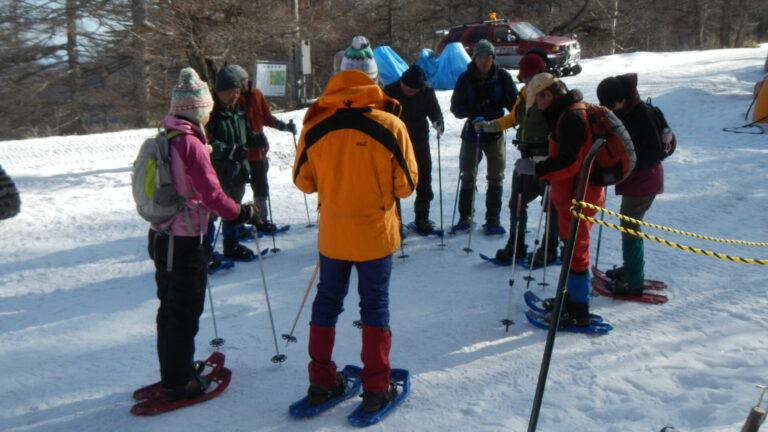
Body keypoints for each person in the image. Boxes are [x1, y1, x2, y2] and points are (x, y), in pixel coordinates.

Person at [292, 70, 417, 413]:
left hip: (334, 232)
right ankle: (376, 387)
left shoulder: (314, 128)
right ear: (371, 88)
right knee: (374, 304)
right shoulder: (390, 125)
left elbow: (303, 182)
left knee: (327, 302)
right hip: (375, 233)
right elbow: (407, 184)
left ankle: (320, 381)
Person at [149, 67, 260, 401]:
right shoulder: (191, 144)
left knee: (169, 310)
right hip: (184, 240)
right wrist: (242, 212)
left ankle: (175, 369)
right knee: (183, 312)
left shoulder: (166, 134)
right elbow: (212, 195)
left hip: (161, 236)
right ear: (199, 109)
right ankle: (178, 383)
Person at [513, 73, 605, 327]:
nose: (539, 107)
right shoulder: (567, 114)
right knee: (571, 248)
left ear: (548, 95)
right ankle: (570, 298)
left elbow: (570, 162)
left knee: (577, 250)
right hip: (571, 195)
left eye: (539, 101)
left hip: (579, 196)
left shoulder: (571, 117)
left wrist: (538, 169)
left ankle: (578, 310)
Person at [474, 54, 559, 263]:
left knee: (552, 206)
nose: (526, 82)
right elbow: (513, 118)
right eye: (523, 78)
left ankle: (549, 248)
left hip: (549, 160)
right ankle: (516, 244)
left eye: (529, 77)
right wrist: (489, 125)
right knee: (517, 202)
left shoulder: (554, 95)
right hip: (527, 158)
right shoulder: (523, 95)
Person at [596, 74, 664, 296]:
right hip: (635, 177)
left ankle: (634, 282)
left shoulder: (641, 113)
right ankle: (631, 268)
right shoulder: (625, 109)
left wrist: (625, 167)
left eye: (610, 104)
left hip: (645, 177)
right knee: (628, 223)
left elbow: (654, 152)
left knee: (630, 225)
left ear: (619, 99)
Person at [450, 39, 518, 233]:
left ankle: (493, 219)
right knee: (468, 175)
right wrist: (475, 111)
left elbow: (515, 106)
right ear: (475, 58)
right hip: (472, 132)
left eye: (488, 56)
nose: (484, 61)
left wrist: (502, 111)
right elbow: (456, 108)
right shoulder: (465, 78)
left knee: (496, 176)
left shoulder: (503, 77)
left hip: (495, 132)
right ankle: (465, 217)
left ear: (493, 58)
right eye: (481, 56)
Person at [224, 64, 297, 233]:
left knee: (261, 187)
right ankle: (237, 223)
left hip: (260, 152)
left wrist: (283, 126)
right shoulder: (234, 99)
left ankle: (261, 219)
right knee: (237, 189)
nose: (239, 85)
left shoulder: (256, 94)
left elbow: (266, 117)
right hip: (243, 153)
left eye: (241, 81)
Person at [206, 66, 266, 260]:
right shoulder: (210, 114)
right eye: (231, 91)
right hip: (219, 172)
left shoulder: (238, 111)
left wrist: (257, 138)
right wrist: (228, 151)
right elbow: (207, 143)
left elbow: (245, 134)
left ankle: (231, 246)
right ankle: (206, 252)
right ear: (220, 91)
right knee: (211, 213)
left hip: (239, 170)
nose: (235, 95)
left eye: (238, 91)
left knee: (234, 208)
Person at [383, 64, 444, 234]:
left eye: (415, 89)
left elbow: (435, 111)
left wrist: (438, 122)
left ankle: (422, 218)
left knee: (424, 181)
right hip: (395, 145)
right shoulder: (389, 91)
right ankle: (395, 221)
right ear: (402, 81)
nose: (411, 91)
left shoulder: (426, 91)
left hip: (419, 142)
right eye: (408, 88)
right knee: (394, 183)